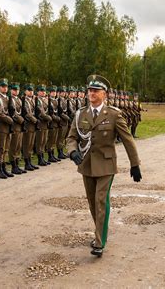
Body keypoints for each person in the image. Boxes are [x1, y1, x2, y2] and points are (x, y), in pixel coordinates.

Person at [67, 74, 142, 257]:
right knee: (93, 202)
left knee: (101, 200)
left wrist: (135, 164)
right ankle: (100, 232)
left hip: (106, 165)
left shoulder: (114, 115)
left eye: (95, 91)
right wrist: (72, 151)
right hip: (86, 164)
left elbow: (128, 140)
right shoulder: (81, 114)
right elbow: (71, 138)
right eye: (89, 90)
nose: (91, 93)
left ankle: (100, 241)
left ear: (104, 94)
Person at [0, 78, 14, 179]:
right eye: (3, 86)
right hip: (1, 127)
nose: (5, 88)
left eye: (6, 86)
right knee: (1, 148)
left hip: (7, 128)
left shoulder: (8, 98)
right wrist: (10, 120)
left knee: (6, 149)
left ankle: (4, 168)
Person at [8, 82, 26, 174]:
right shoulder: (10, 99)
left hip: (20, 126)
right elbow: (13, 113)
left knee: (18, 146)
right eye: (14, 89)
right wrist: (22, 120)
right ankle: (13, 166)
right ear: (11, 90)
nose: (16, 91)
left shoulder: (18, 99)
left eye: (17, 89)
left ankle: (17, 164)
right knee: (14, 146)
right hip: (15, 125)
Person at [35, 84, 53, 166]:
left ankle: (42, 157)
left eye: (44, 91)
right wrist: (49, 118)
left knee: (44, 141)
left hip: (45, 123)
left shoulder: (45, 100)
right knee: (40, 141)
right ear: (38, 92)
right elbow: (41, 112)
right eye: (41, 91)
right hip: (41, 123)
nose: (43, 92)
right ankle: (39, 158)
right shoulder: (38, 100)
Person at [46, 85, 61, 163]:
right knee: (50, 140)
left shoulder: (56, 101)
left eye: (55, 92)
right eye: (52, 92)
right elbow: (50, 113)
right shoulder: (49, 101)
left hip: (56, 123)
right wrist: (57, 118)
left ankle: (52, 154)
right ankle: (49, 155)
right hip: (51, 122)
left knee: (54, 140)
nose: (54, 93)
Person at [56, 85, 70, 159]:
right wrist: (68, 118)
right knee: (60, 137)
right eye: (62, 92)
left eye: (64, 92)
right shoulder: (59, 100)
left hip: (65, 121)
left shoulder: (64, 100)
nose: (64, 93)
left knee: (63, 137)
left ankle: (61, 151)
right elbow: (61, 112)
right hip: (62, 121)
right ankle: (59, 152)